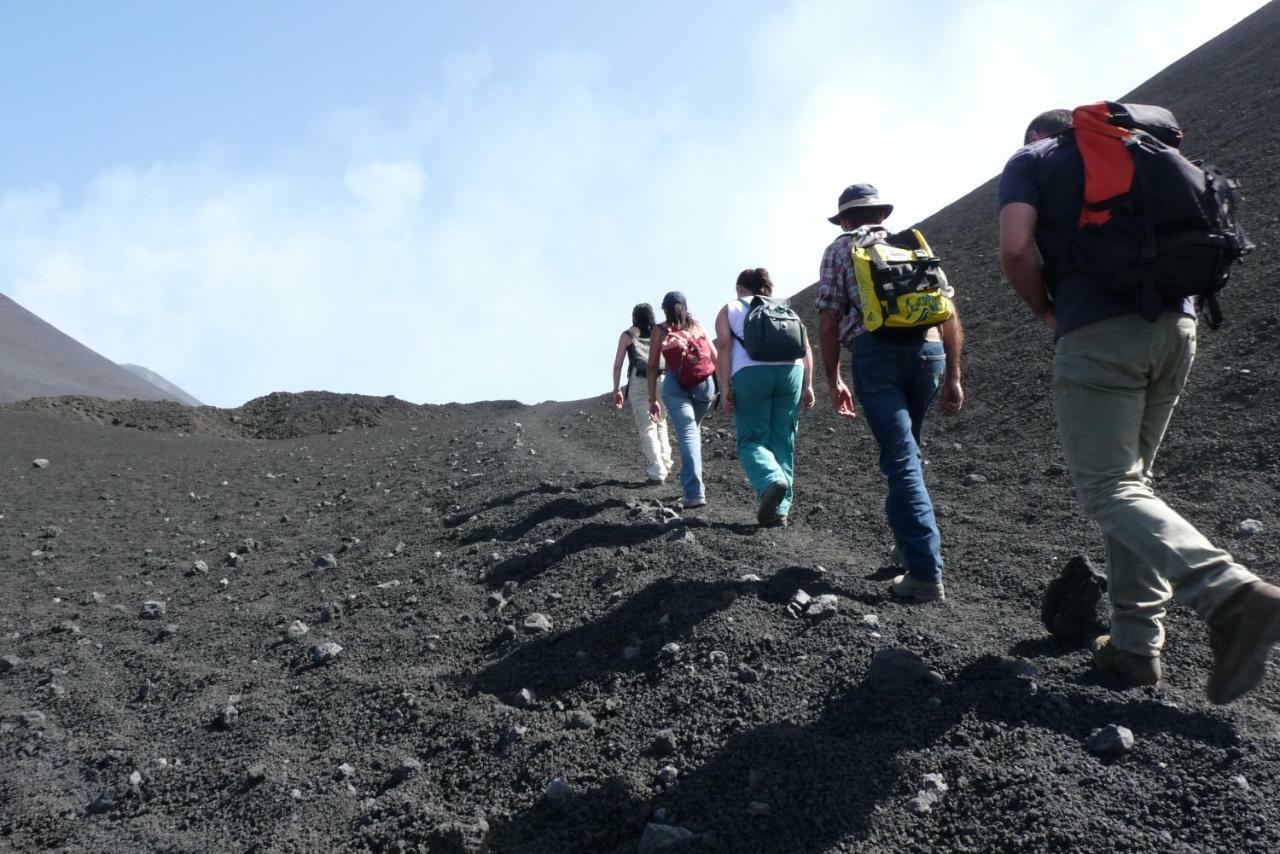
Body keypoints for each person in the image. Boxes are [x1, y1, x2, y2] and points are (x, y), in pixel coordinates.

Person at [999, 107, 1280, 703]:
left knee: (1108, 489)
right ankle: (1134, 648)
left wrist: (1047, 310)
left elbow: (1017, 248)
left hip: (1099, 333)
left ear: (1038, 134)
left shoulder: (1034, 158)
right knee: (1133, 486)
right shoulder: (1145, 152)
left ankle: (1231, 595)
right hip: (1177, 327)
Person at [815, 183, 965, 602]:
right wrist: (954, 374)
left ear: (845, 219)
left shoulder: (839, 250)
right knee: (908, 450)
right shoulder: (913, 245)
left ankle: (924, 572)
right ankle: (905, 546)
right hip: (930, 353)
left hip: (877, 356)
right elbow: (947, 310)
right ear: (881, 215)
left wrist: (833, 379)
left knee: (901, 458)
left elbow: (828, 321)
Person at [714, 268, 816, 526]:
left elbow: (724, 346)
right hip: (792, 372)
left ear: (740, 288)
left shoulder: (730, 308)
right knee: (783, 440)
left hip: (750, 373)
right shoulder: (787, 310)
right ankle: (780, 511)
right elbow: (806, 347)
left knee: (751, 440)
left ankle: (771, 479)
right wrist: (808, 385)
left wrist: (724, 386)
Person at [647, 291, 717, 509]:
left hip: (675, 384)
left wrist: (652, 399)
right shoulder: (697, 326)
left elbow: (651, 366)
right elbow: (715, 356)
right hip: (705, 387)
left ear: (664, 309)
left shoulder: (659, 330)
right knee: (692, 432)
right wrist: (725, 386)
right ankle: (691, 486)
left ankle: (694, 493)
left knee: (688, 434)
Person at [612, 303, 674, 484]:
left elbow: (618, 365)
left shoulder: (627, 336)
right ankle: (666, 464)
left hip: (639, 381)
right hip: (661, 379)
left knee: (647, 427)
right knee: (661, 422)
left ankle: (657, 471)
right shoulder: (660, 332)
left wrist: (617, 389)